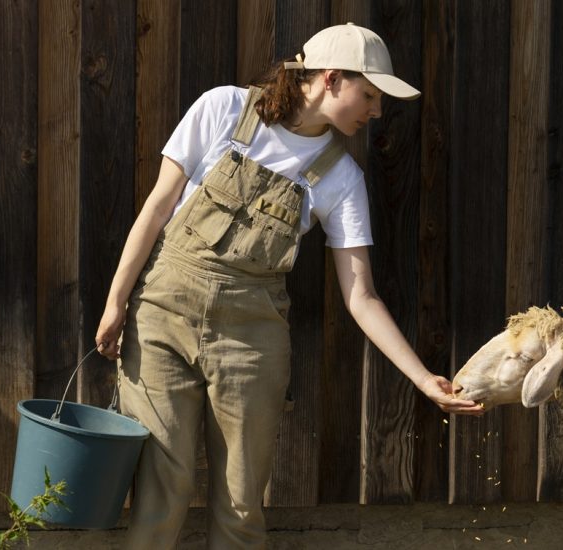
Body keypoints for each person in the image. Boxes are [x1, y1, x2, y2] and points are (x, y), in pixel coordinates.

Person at [94, 23, 484, 549]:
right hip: (162, 316)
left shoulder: (342, 177)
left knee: (240, 503)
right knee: (163, 488)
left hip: (251, 339)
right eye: (369, 95)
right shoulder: (223, 109)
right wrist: (116, 301)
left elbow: (360, 295)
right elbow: (158, 208)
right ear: (330, 79)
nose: (376, 112)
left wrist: (421, 379)